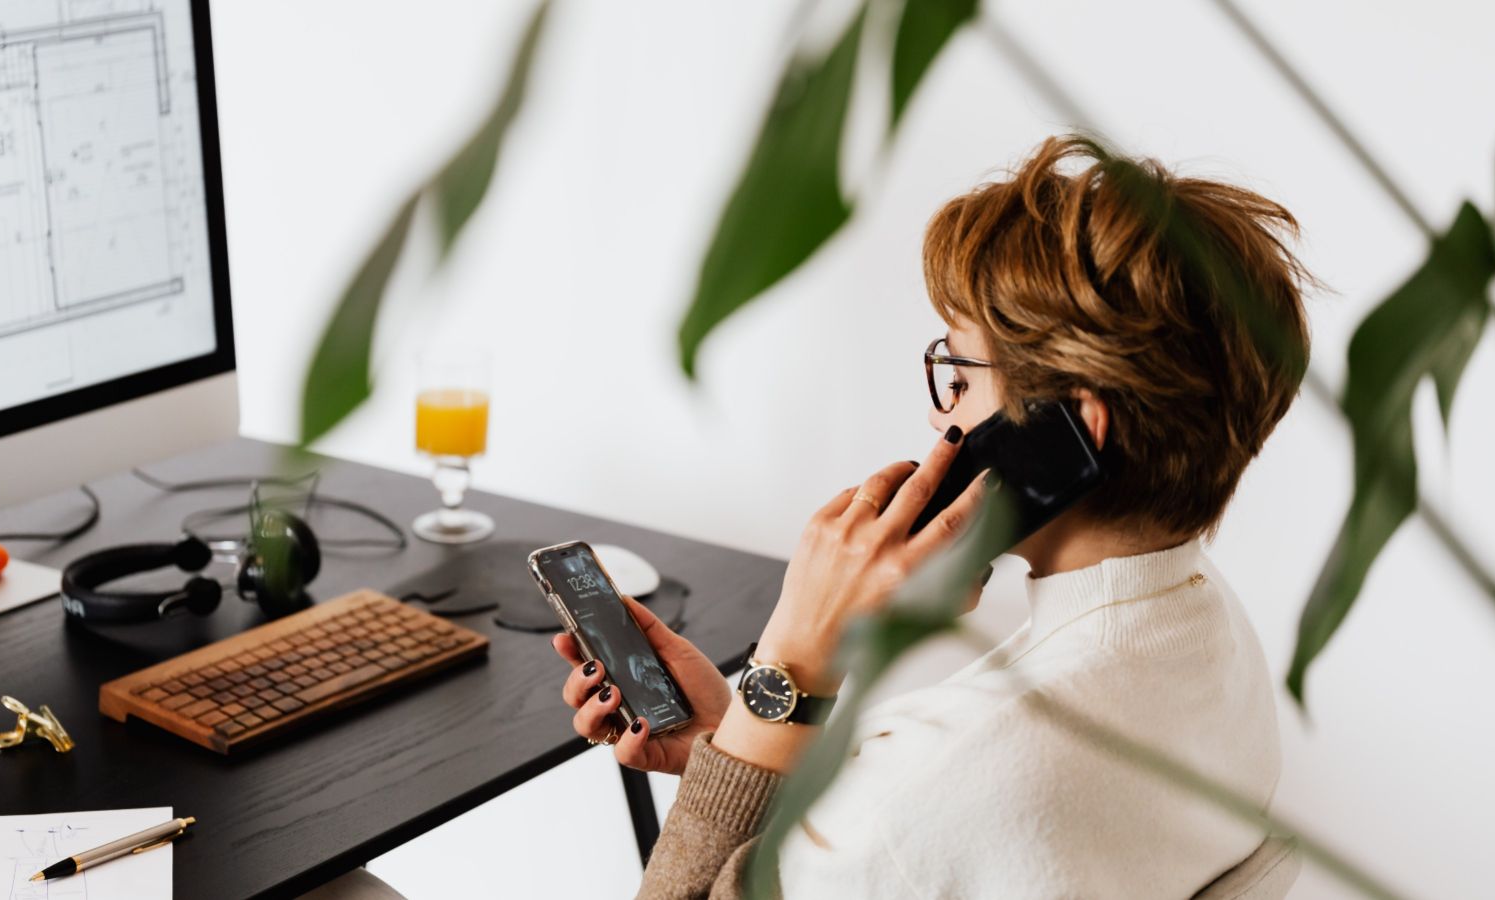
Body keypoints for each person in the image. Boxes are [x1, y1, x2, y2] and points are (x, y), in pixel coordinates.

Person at [551, 134, 1311, 898]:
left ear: (1072, 424)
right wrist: (740, 740)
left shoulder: (929, 794)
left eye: (958, 369)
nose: (937, 407)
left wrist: (790, 660)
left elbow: (910, 831)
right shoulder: (1211, 640)